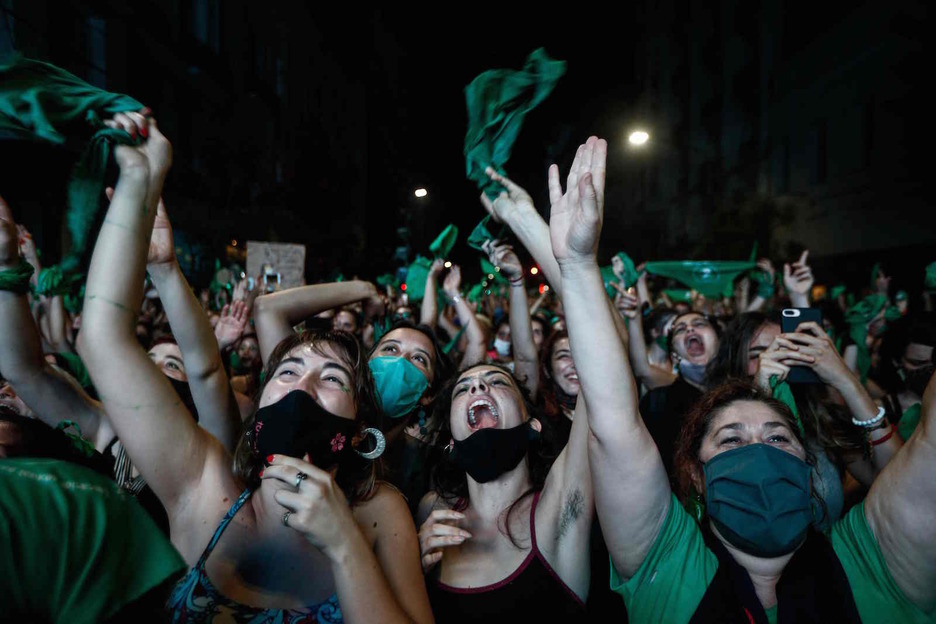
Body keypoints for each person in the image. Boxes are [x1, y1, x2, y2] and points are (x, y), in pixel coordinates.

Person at [76, 111, 432, 623]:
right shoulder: (203, 483)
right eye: (287, 372)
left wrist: (345, 547)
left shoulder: (380, 516)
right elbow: (103, 342)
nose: (301, 387)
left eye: (331, 378)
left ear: (359, 431)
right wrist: (138, 184)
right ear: (261, 399)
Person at [560, 169, 936, 622]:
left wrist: (843, 377)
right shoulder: (671, 567)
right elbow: (614, 426)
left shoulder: (873, 563)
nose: (758, 448)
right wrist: (578, 266)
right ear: (696, 475)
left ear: (807, 461)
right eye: (731, 441)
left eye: (779, 439)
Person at [415, 138, 606, 623]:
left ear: (535, 422)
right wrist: (406, 571)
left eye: (496, 384)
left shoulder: (562, 502)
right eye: (463, 388)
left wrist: (535, 230)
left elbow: (604, 354)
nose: (476, 388)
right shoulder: (431, 513)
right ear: (450, 442)